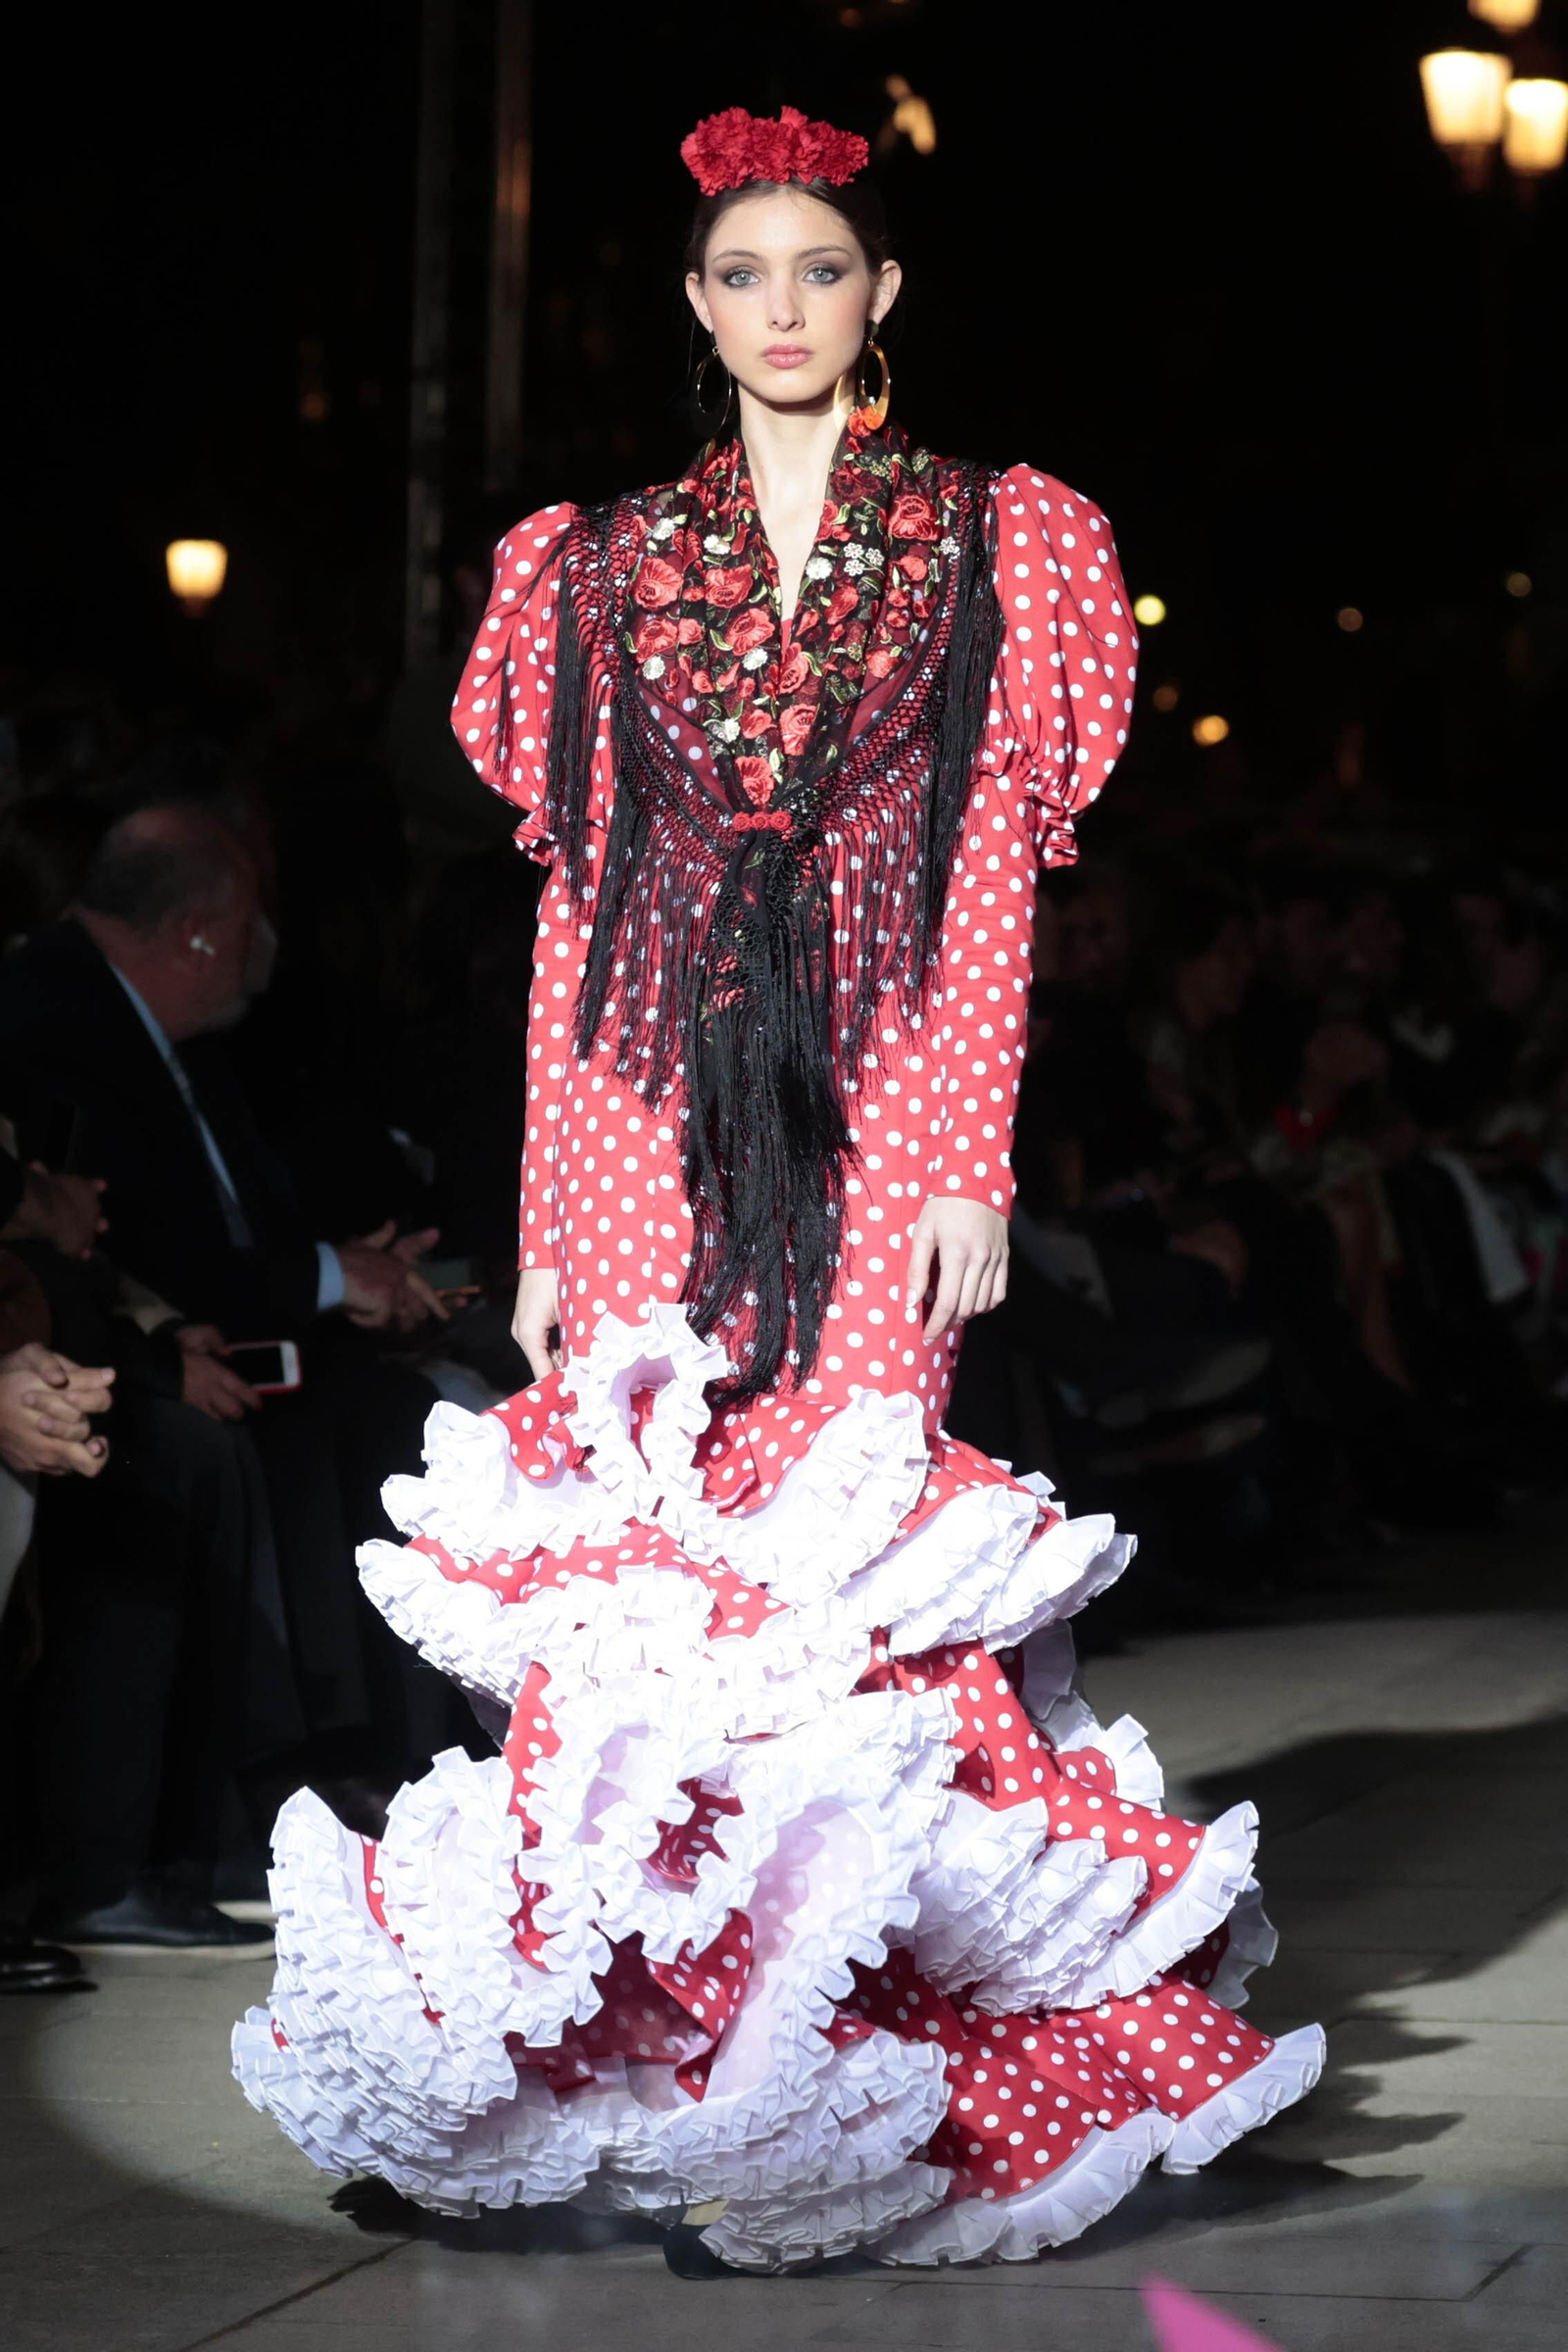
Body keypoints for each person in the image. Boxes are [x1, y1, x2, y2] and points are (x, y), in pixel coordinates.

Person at [235, 107, 1323, 2272]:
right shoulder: (594, 560)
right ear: (694, 304)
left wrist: (962, 1152)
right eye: (744, 275)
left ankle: (870, 2040)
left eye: (822, 270)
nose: (784, 308)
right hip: (644, 1099)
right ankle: (639, 2045)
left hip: (886, 1094)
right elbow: (577, 907)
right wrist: (548, 1219)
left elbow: (987, 875)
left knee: (858, 1529)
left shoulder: (993, 541)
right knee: (648, 1554)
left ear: (882, 294)